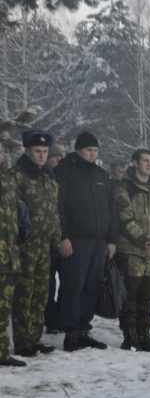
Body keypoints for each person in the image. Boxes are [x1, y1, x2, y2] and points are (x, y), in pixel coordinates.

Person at [53, 132, 118, 352]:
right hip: (75, 239)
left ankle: (83, 330)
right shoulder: (65, 170)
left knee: (91, 286)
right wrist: (63, 236)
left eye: (96, 151)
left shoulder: (100, 174)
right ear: (78, 149)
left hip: (99, 240)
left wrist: (111, 240)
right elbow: (57, 205)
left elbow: (111, 209)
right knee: (74, 285)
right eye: (89, 150)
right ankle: (70, 333)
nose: (93, 154)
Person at [8, 130, 61, 358]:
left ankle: (35, 338)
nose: (41, 156)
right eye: (37, 151)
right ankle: (22, 342)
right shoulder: (16, 176)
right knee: (24, 294)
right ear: (26, 150)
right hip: (25, 246)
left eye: (45, 152)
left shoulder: (47, 175)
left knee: (41, 294)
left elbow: (54, 210)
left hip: (45, 245)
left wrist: (56, 236)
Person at [114, 148, 150, 352]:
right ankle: (130, 337)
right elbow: (125, 219)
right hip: (131, 252)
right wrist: (145, 243)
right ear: (135, 163)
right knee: (130, 297)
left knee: (146, 297)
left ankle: (145, 336)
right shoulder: (124, 187)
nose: (149, 164)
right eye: (145, 160)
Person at [0, 165, 24, 366]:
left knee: (3, 309)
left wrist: (24, 227)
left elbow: (20, 208)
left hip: (8, 257)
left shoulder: (8, 180)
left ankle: (2, 353)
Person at [44, 142, 66, 333]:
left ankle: (61, 316)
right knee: (49, 284)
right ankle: (51, 321)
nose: (59, 159)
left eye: (61, 156)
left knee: (67, 282)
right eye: (55, 157)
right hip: (48, 240)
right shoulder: (44, 178)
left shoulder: (65, 178)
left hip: (65, 238)